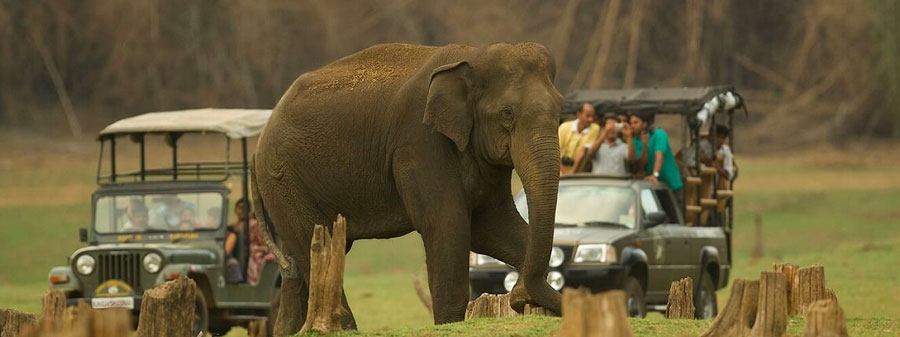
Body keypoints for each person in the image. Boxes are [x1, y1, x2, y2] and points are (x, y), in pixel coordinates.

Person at [629, 111, 683, 201]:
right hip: (653, 186)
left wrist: (655, 175)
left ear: (644, 124)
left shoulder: (659, 134)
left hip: (671, 184)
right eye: (631, 123)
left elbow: (659, 155)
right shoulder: (636, 141)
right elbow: (642, 165)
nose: (632, 126)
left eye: (635, 122)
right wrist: (645, 146)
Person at [558, 102, 600, 174]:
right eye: (587, 116)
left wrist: (572, 173)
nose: (590, 119)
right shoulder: (564, 127)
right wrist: (564, 171)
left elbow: (583, 152)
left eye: (592, 116)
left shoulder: (595, 129)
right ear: (579, 114)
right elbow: (557, 151)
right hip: (560, 170)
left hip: (579, 174)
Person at [224, 200, 247, 283]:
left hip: (248, 251)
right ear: (235, 210)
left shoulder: (252, 224)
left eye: (245, 208)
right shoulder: (233, 225)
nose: (242, 211)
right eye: (240, 208)